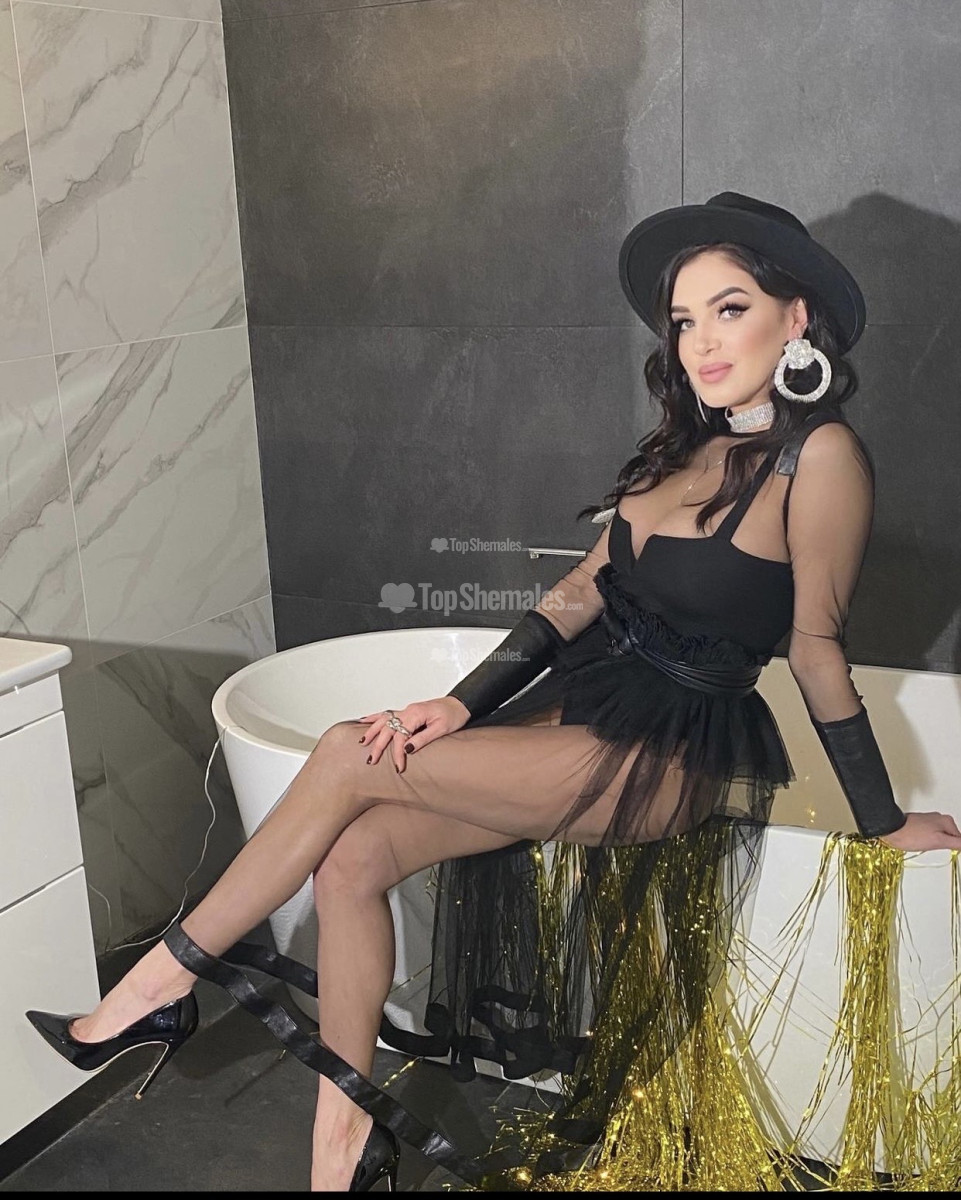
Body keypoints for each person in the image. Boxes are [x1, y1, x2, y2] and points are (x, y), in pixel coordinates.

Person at [26, 192, 961, 1193]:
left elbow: (816, 652)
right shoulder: (682, 446)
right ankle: (341, 1153)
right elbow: (576, 596)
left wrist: (879, 822)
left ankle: (153, 991)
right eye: (684, 319)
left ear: (795, 317)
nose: (700, 341)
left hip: (665, 755)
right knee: (352, 859)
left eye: (729, 309)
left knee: (345, 750)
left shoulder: (820, 458)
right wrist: (462, 704)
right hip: (584, 714)